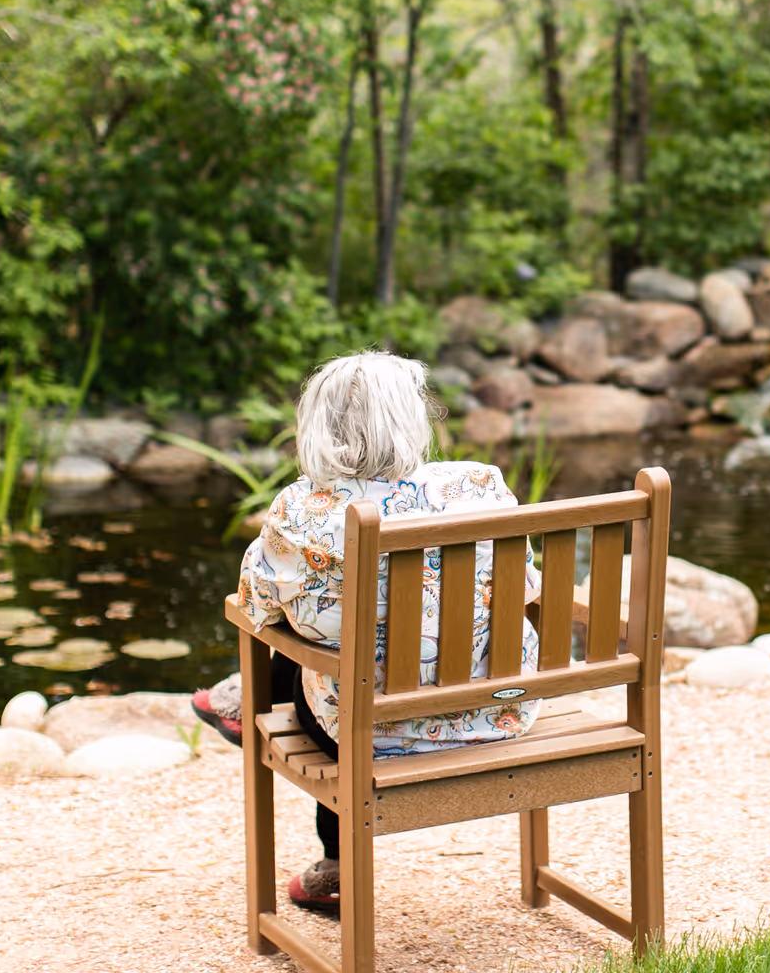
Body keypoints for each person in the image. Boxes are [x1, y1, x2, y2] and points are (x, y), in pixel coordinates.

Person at [210, 351, 539, 913]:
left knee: (320, 657)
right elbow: (527, 588)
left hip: (371, 733)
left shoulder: (302, 510)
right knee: (339, 648)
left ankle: (333, 865)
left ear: (316, 425)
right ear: (412, 418)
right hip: (498, 711)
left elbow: (254, 606)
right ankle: (245, 700)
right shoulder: (481, 485)